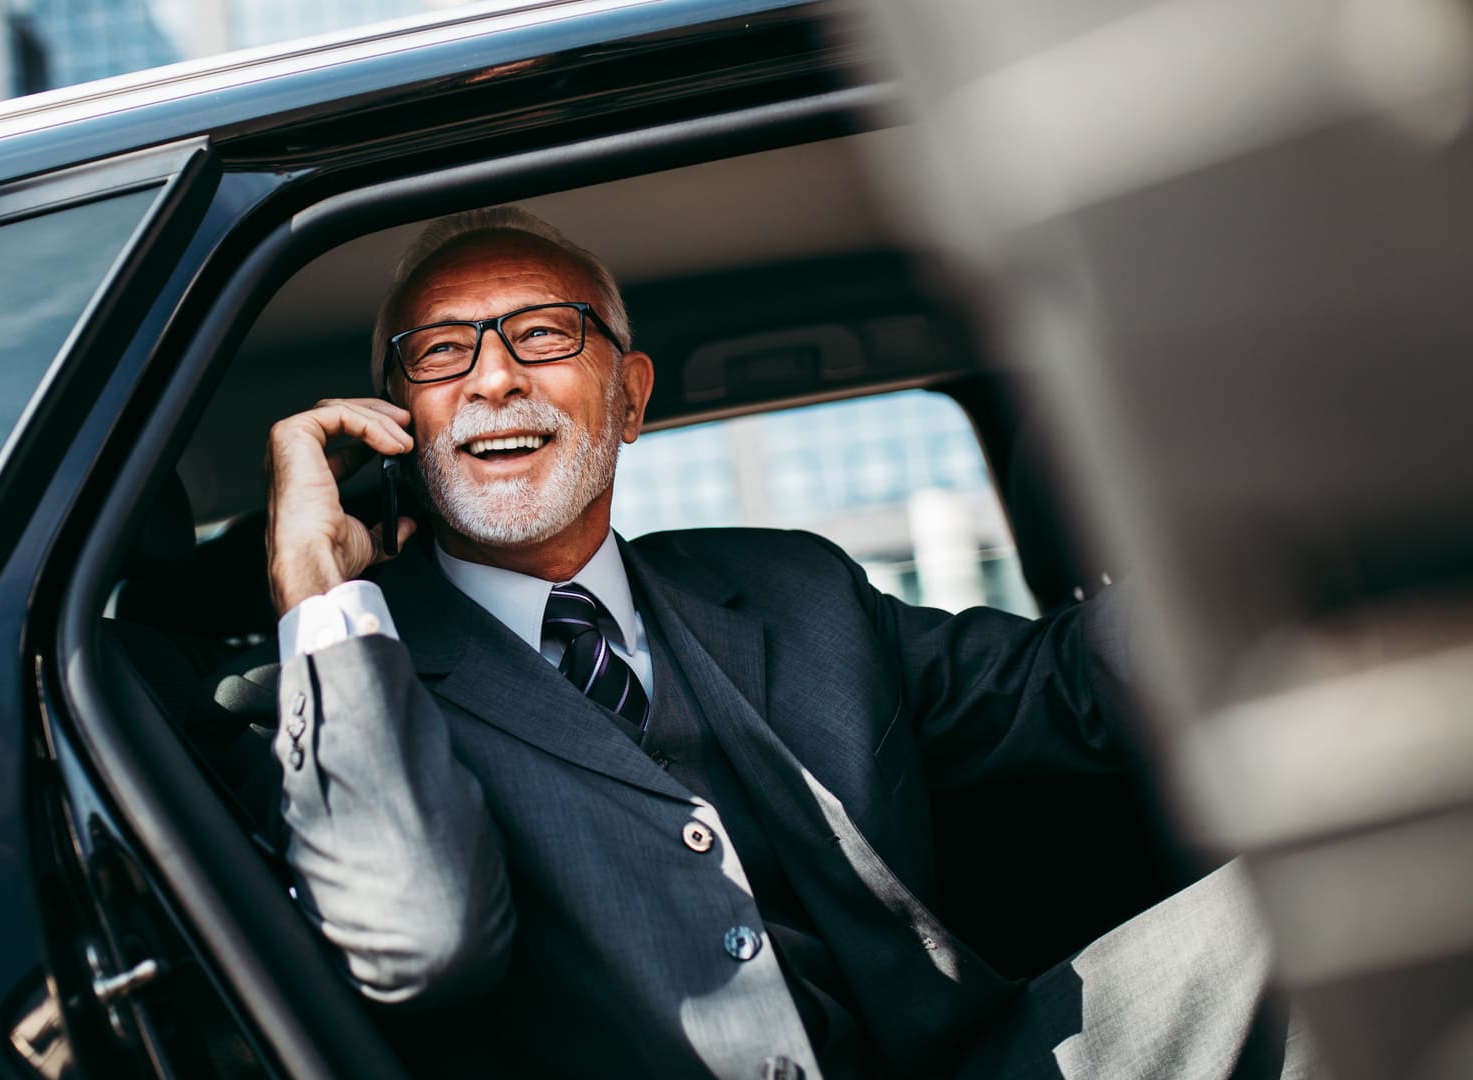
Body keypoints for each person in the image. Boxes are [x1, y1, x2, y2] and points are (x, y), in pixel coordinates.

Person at [260, 207, 1309, 1078]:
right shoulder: (357, 677)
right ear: (399, 418)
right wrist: (318, 593)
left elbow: (1068, 687)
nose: (493, 379)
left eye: (542, 334)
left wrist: (1315, 524)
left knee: (1328, 902)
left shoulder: (792, 588)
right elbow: (421, 939)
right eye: (442, 351)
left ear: (629, 399)